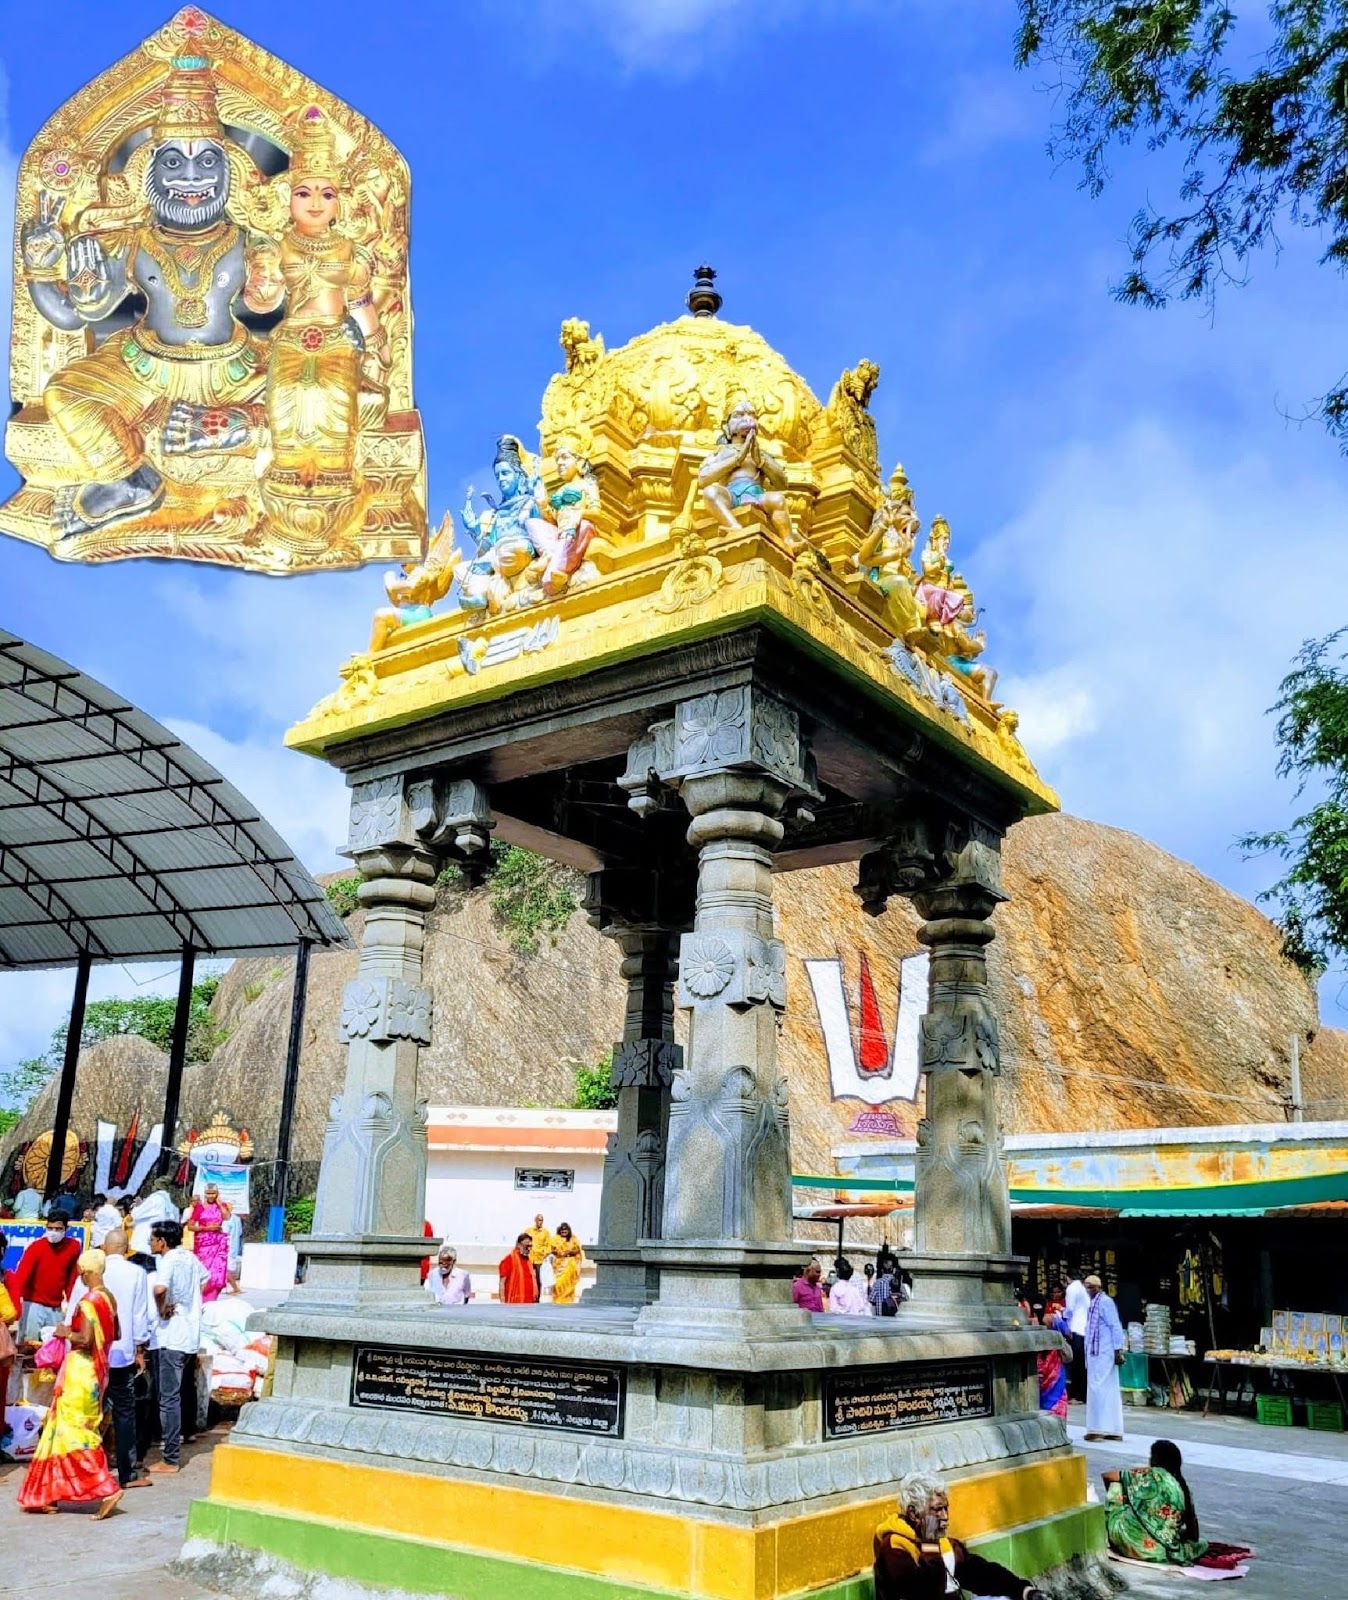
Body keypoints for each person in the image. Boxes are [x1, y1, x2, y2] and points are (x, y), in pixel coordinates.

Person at [17, 1248, 123, 1519]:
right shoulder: (109, 1298)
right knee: (62, 1431)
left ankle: (107, 1488)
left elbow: (85, 1339)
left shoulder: (88, 1301)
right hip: (96, 1374)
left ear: (86, 1272)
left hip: (80, 1374)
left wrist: (65, 1333)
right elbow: (117, 1333)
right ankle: (50, 1494)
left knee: (74, 1433)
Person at [874, 1471, 1047, 1600]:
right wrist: (930, 1544)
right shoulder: (893, 1549)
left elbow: (980, 1573)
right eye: (937, 1510)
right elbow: (926, 1593)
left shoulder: (946, 1544)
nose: (945, 1516)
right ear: (914, 1514)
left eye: (946, 1508)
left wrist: (1023, 1590)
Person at [69, 1227, 151, 1492]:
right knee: (124, 1413)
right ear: (126, 1249)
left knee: (88, 1413)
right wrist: (140, 1350)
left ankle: (83, 1472)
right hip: (120, 1355)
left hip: (89, 1357)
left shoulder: (89, 1271)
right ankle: (127, 1473)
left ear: (104, 1248)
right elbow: (139, 1316)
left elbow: (72, 1312)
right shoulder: (136, 1273)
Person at [149, 1219, 208, 1474]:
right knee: (180, 1392)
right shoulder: (190, 1258)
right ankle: (178, 1441)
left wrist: (163, 1308)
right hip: (189, 1335)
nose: (150, 1243)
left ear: (162, 1242)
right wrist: (191, 1304)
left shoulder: (169, 1260)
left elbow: (159, 1289)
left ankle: (170, 1457)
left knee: (168, 1398)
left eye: (153, 1239)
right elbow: (205, 1279)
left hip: (171, 1336)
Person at [1103, 1440, 1208, 1565]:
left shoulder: (1151, 1474)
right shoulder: (1183, 1487)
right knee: (1202, 1544)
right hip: (1157, 1553)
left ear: (1155, 1459)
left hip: (1123, 1540)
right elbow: (1194, 1535)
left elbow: (1107, 1476)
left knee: (1117, 1485)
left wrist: (1126, 1501)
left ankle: (1117, 1526)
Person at [10, 1213, 82, 1343]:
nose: (53, 1232)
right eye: (50, 1228)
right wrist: (15, 1306)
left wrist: (73, 1304)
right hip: (33, 1305)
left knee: (55, 1346)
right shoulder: (36, 1248)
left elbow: (71, 1279)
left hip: (56, 1307)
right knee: (29, 1344)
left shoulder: (73, 1247)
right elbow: (21, 1277)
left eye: (58, 1229)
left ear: (66, 1229)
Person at [1083, 1274, 1125, 1441]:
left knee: (1098, 1387)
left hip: (1104, 1351)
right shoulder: (1093, 1303)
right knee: (1104, 1387)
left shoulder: (1105, 1302)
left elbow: (1115, 1325)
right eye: (1087, 1287)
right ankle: (1112, 1429)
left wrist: (1118, 1349)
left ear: (1098, 1287)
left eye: (1091, 1287)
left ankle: (1098, 1427)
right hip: (1096, 1351)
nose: (1089, 1290)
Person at [185, 1181, 232, 1302]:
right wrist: (206, 1228)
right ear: (205, 1194)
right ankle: (200, 1299)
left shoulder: (222, 1206)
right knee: (203, 1271)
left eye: (213, 1193)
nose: (211, 1196)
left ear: (217, 1193)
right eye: (208, 1193)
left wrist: (219, 1203)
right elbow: (190, 1226)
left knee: (217, 1272)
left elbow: (227, 1217)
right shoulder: (200, 1208)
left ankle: (211, 1299)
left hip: (218, 1244)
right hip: (203, 1246)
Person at [129, 1179, 180, 1270]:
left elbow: (136, 1214)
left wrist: (138, 1206)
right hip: (162, 1242)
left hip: (146, 1244)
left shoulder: (156, 1198)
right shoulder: (172, 1203)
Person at [1034, 1303, 1070, 1421]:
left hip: (1039, 1364)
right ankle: (1058, 1423)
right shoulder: (1053, 1319)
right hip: (1054, 1365)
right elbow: (1068, 1333)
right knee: (1057, 1396)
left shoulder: (1028, 1322)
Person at [1064, 1276, 1089, 1403]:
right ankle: (1082, 1394)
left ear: (1067, 1277)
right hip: (1084, 1329)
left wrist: (1063, 1316)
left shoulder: (1072, 1288)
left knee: (1076, 1364)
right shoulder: (1083, 1288)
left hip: (1076, 1328)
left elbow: (1069, 1308)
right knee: (1082, 1364)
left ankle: (1078, 1395)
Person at [499, 1233, 540, 1305]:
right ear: (518, 1245)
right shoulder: (509, 1260)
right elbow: (502, 1282)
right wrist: (502, 1301)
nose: (529, 1249)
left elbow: (533, 1278)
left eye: (530, 1246)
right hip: (514, 1304)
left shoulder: (529, 1261)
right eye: (527, 1246)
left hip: (529, 1303)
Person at [550, 1223, 584, 1306]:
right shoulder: (555, 1239)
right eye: (562, 1230)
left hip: (570, 1264)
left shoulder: (573, 1238)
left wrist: (569, 1252)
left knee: (569, 1283)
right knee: (558, 1283)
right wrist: (558, 1252)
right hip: (559, 1264)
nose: (563, 1231)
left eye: (565, 1230)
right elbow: (551, 1249)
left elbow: (577, 1250)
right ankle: (558, 1299)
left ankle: (568, 1300)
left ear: (568, 1230)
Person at [527, 1213, 555, 1293]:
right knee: (528, 1279)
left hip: (540, 1260)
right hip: (529, 1258)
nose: (540, 1222)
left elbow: (549, 1246)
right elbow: (523, 1241)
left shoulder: (546, 1232)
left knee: (538, 1280)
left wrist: (544, 1253)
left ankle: (537, 1297)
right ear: (535, 1220)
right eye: (539, 1220)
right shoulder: (529, 1231)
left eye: (542, 1220)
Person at [224, 1206, 244, 1294]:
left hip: (226, 1246)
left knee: (226, 1268)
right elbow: (240, 1232)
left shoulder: (226, 1220)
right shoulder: (237, 1219)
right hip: (234, 1246)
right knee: (229, 1267)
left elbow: (224, 1232)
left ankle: (235, 1288)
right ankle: (230, 1288)